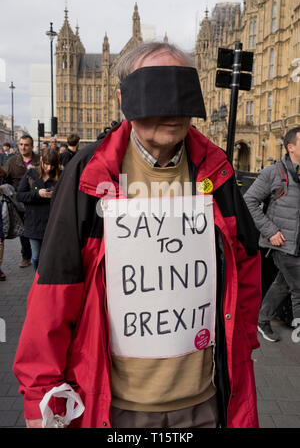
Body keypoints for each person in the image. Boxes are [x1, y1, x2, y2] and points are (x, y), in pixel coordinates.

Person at [13, 42, 261, 429]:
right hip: (118, 406)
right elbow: (57, 287)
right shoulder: (90, 173)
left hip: (207, 401)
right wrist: (40, 393)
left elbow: (245, 263)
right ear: (123, 98)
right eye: (157, 92)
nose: (173, 108)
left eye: (182, 93)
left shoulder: (216, 169)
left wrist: (241, 340)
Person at [244, 127, 300, 342]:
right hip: (282, 242)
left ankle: (262, 318)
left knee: (283, 284)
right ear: (291, 147)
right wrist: (271, 231)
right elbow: (249, 201)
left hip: (298, 242)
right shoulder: (273, 172)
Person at [16, 149, 61, 272]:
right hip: (34, 222)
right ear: (41, 160)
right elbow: (19, 195)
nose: (49, 168)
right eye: (46, 164)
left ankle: (46, 283)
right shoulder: (31, 173)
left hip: (52, 223)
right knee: (36, 257)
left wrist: (55, 195)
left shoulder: (60, 175)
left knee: (51, 257)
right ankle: (38, 281)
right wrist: (37, 194)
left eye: (52, 165)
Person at [5, 135, 40, 268]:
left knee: (37, 227)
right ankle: (26, 256)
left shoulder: (39, 160)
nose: (23, 147)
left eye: (26, 145)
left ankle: (38, 254)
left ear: (31, 146)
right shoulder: (12, 161)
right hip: (19, 201)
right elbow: (5, 179)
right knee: (24, 231)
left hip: (37, 199)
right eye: (21, 144)